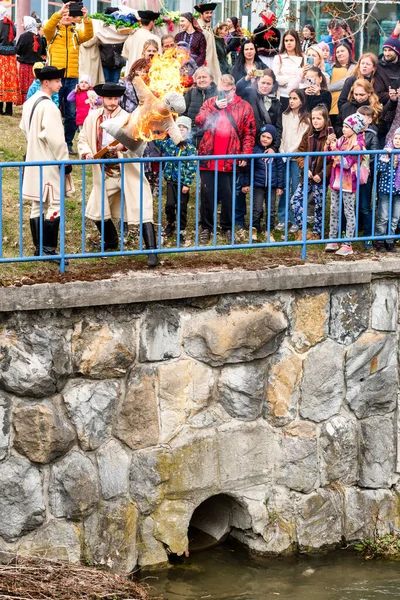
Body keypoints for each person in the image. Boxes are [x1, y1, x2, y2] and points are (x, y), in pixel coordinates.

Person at [77, 82, 159, 267]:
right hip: (106, 172)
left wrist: (122, 147)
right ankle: (111, 241)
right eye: (109, 98)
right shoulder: (93, 117)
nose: (113, 102)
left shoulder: (128, 118)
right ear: (102, 99)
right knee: (96, 208)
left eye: (115, 98)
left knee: (143, 208)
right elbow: (82, 138)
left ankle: (152, 251)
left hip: (127, 170)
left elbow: (140, 143)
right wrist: (87, 153)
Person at [195, 74, 256, 243]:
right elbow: (199, 121)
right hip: (208, 157)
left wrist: (245, 154)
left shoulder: (244, 106)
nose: (222, 94)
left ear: (234, 89)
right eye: (219, 91)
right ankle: (206, 227)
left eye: (226, 91)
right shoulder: (210, 102)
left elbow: (249, 133)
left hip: (230, 158)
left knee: (228, 196)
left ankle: (227, 228)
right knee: (207, 195)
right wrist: (214, 107)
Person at [20, 65, 71, 257]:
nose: (60, 84)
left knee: (37, 203)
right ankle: (48, 249)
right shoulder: (49, 106)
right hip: (49, 161)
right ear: (46, 82)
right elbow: (56, 139)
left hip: (33, 158)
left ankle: (39, 248)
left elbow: (24, 128)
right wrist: (64, 162)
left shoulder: (29, 102)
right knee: (55, 203)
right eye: (57, 81)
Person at [43, 1, 94, 154]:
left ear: (73, 18)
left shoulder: (76, 33)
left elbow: (89, 35)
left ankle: (68, 143)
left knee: (71, 114)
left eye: (68, 15)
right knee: (54, 112)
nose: (66, 17)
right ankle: (52, 142)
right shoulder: (52, 33)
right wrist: (60, 12)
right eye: (64, 15)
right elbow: (47, 27)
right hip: (55, 78)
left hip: (72, 78)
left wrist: (86, 18)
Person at [325, 112, 367, 256]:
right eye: (343, 126)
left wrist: (335, 151)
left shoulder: (358, 145)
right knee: (334, 210)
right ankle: (332, 239)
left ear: (355, 129)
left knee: (349, 212)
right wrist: (329, 145)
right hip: (336, 180)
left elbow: (346, 163)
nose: (343, 129)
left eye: (347, 127)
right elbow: (329, 157)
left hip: (349, 182)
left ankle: (348, 243)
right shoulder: (342, 140)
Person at [291, 104, 331, 240]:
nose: (315, 121)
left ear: (325, 119)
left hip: (320, 176)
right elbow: (299, 154)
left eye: (319, 118)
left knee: (319, 206)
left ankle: (317, 233)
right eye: (313, 118)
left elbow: (333, 160)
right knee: (295, 200)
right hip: (307, 175)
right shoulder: (308, 134)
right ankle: (303, 230)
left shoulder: (330, 137)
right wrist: (305, 168)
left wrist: (322, 174)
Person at [154, 116, 197, 243]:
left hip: (183, 182)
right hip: (170, 180)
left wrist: (187, 184)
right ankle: (171, 223)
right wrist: (153, 132)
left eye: (184, 127)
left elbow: (192, 166)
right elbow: (158, 143)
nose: (181, 129)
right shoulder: (169, 143)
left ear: (188, 130)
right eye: (179, 126)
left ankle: (181, 229)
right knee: (170, 205)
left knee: (182, 206)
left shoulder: (190, 148)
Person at [240, 124, 284, 239]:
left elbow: (280, 170)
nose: (265, 139)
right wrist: (246, 183)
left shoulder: (276, 153)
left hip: (272, 186)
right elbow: (248, 169)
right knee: (257, 209)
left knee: (271, 210)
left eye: (268, 138)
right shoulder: (254, 151)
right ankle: (254, 229)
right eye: (263, 136)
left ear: (273, 139)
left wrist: (280, 186)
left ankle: (269, 231)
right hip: (257, 185)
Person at [279, 88, 310, 231]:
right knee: (283, 187)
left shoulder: (306, 119)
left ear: (302, 101)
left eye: (295, 98)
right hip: (282, 156)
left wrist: (291, 151)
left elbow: (301, 140)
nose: (291, 101)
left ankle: (297, 219)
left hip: (296, 157)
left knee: (297, 188)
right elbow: (281, 134)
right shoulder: (284, 115)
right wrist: (281, 151)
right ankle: (283, 218)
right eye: (290, 98)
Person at [235, 68, 282, 144]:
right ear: (257, 81)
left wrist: (274, 148)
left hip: (266, 143)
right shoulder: (249, 93)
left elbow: (278, 128)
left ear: (273, 85)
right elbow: (237, 90)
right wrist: (247, 78)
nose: (265, 86)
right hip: (249, 140)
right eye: (263, 82)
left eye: (268, 84)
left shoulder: (276, 103)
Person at [356, 105, 380, 250]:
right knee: (350, 206)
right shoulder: (352, 133)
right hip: (350, 175)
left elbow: (373, 156)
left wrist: (361, 162)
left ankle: (368, 235)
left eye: (363, 117)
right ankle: (348, 232)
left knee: (365, 206)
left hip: (365, 176)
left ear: (370, 120)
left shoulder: (372, 135)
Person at [375, 127, 400, 252]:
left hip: (398, 190)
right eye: (396, 138)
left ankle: (390, 240)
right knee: (383, 216)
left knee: (395, 217)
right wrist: (387, 157)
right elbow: (379, 168)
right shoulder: (386, 151)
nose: (397, 141)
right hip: (385, 188)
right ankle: (379, 239)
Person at [184, 66, 217, 146]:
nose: (201, 80)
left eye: (204, 77)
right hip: (193, 137)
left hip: (212, 136)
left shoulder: (217, 93)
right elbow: (183, 112)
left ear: (211, 79)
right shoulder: (190, 93)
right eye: (199, 78)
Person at [272, 29, 304, 111]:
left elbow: (305, 80)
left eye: (291, 40)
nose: (288, 43)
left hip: (300, 97)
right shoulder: (278, 58)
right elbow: (275, 79)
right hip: (283, 96)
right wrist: (295, 78)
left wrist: (285, 77)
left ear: (296, 41)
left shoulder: (305, 57)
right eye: (286, 40)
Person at [16, 16, 46, 103]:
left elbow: (18, 50)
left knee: (24, 85)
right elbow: (43, 52)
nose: (22, 25)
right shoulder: (39, 37)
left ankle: (25, 101)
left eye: (23, 23)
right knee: (35, 84)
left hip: (25, 65)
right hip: (36, 67)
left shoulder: (23, 36)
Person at [122, 10, 161, 75]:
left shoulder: (131, 36)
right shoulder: (154, 38)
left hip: (132, 73)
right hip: (147, 74)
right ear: (151, 22)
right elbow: (159, 57)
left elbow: (125, 55)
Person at [328, 41, 356, 129]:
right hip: (329, 104)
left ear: (349, 52)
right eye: (337, 52)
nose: (339, 54)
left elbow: (345, 82)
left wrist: (327, 88)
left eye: (342, 51)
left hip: (343, 104)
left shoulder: (354, 66)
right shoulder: (331, 66)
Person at [0, 6, 21, 116]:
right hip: (11, 56)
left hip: (1, 56)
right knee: (10, 80)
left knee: (1, 81)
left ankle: (0, 108)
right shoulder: (12, 24)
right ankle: (9, 109)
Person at [194, 2, 221, 81]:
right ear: (201, 14)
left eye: (211, 13)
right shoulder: (198, 28)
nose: (210, 15)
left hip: (212, 63)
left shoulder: (208, 27)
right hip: (203, 66)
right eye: (207, 13)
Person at [374, 38, 400, 106]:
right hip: (386, 107)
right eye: (385, 50)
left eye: (390, 50)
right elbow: (377, 93)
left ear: (397, 52)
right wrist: (394, 95)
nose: (387, 53)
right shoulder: (378, 68)